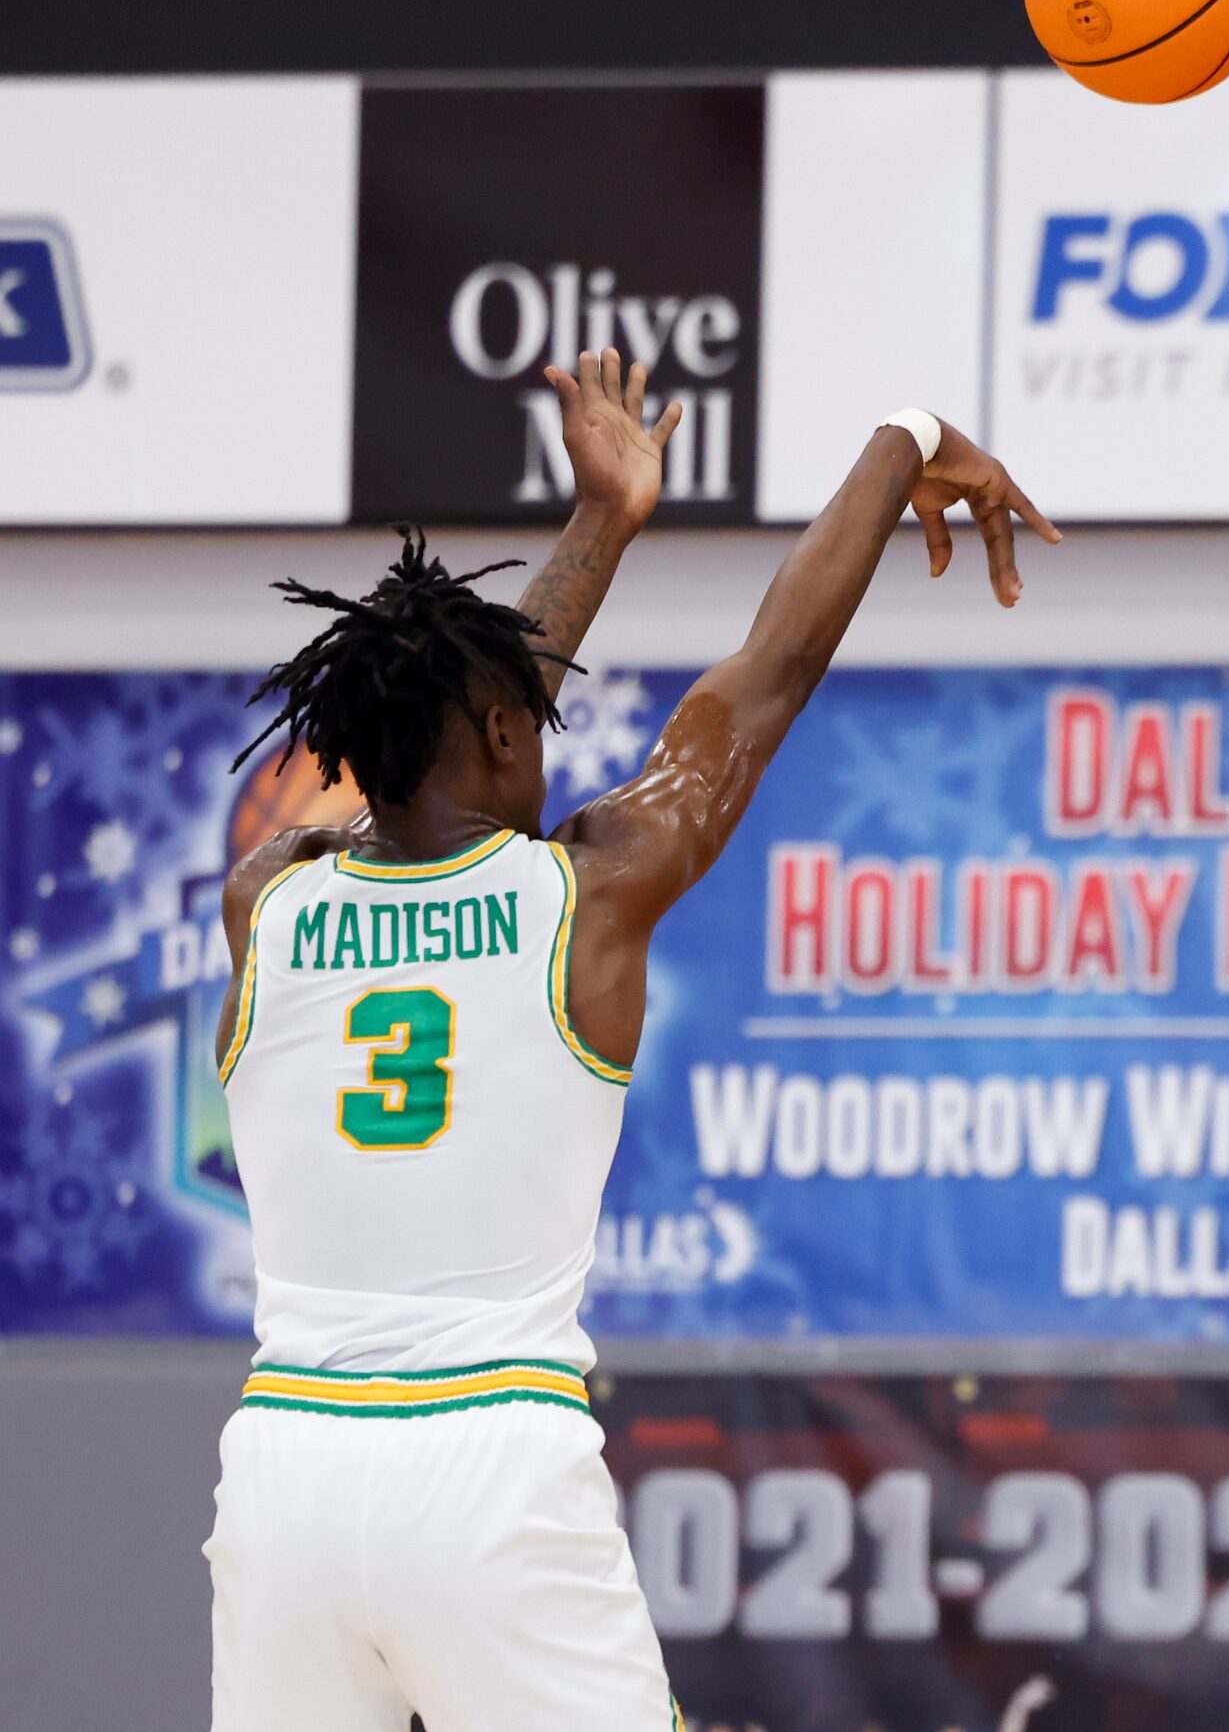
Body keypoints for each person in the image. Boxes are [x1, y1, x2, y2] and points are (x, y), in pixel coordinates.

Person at [202, 350, 1056, 1731]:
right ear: (497, 724)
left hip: (286, 1466)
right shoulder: (585, 889)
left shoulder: (272, 898)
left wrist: (602, 526)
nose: (545, 727)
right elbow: (770, 676)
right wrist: (903, 441)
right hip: (486, 1462)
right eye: (524, 717)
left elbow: (443, 743)